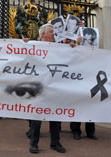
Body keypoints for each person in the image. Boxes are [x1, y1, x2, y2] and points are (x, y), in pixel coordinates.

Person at [29, 24, 66, 154]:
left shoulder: (57, 48)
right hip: (38, 87)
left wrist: (74, 46)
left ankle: (55, 143)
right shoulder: (33, 46)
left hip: (53, 87)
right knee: (36, 118)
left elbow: (70, 56)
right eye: (51, 32)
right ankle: (33, 143)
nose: (54, 35)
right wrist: (23, 44)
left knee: (55, 117)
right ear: (43, 34)